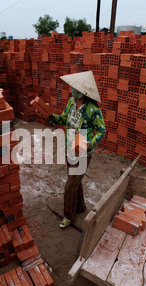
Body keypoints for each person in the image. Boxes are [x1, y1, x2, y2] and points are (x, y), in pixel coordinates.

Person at [47, 71, 106, 228]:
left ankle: (68, 216)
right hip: (70, 149)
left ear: (85, 90)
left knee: (70, 186)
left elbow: (101, 130)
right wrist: (53, 117)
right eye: (72, 87)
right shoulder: (71, 103)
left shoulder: (92, 110)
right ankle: (80, 207)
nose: (73, 90)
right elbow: (64, 118)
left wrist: (90, 143)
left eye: (77, 87)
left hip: (83, 153)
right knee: (75, 183)